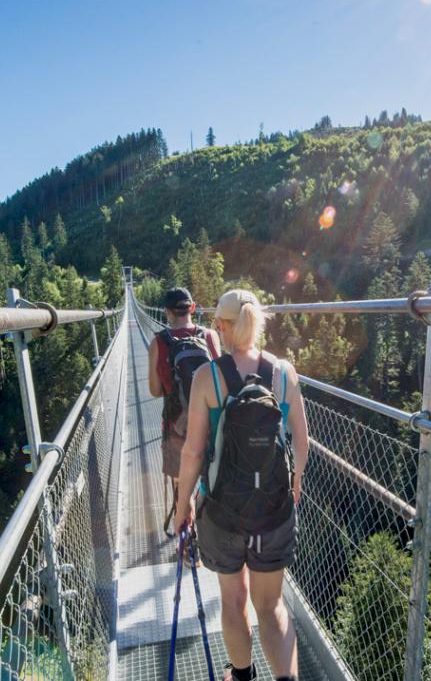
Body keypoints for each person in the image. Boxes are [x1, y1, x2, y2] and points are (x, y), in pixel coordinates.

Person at [173, 288, 309, 681]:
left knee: (233, 601)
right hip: (274, 510)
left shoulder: (207, 377)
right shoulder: (284, 372)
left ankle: (242, 676)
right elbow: (302, 443)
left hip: (221, 513)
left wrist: (183, 509)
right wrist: (295, 485)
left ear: (221, 327)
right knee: (272, 606)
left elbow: (193, 454)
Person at [148, 287, 221, 536]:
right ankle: (214, 532)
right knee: (211, 479)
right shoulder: (210, 336)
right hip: (211, 424)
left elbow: (155, 390)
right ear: (192, 308)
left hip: (176, 427)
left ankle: (189, 541)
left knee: (183, 485)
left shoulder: (159, 342)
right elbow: (220, 383)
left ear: (167, 312)